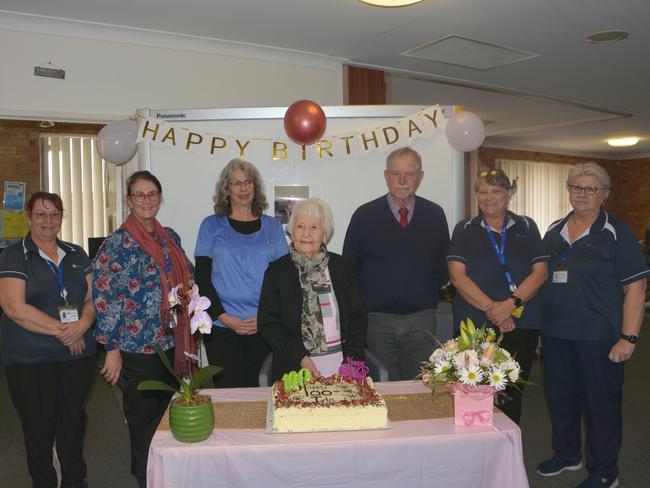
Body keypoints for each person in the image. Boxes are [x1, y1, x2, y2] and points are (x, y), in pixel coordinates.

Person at [537, 162, 648, 488]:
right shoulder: (554, 231)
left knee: (601, 407)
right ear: (569, 191)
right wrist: (542, 331)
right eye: (576, 187)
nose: (582, 194)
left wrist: (628, 338)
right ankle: (567, 454)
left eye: (590, 189)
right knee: (560, 400)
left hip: (599, 338)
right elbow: (541, 282)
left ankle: (604, 472)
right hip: (556, 335)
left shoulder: (616, 232)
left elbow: (636, 288)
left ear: (604, 194)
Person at [93, 171, 193, 488]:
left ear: (159, 198)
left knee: (170, 418)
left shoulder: (170, 238)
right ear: (129, 201)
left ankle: (168, 477)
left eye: (152, 194)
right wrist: (112, 350)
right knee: (144, 424)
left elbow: (186, 280)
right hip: (138, 350)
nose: (146, 200)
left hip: (172, 343)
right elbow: (105, 299)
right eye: (139, 195)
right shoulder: (117, 244)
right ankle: (145, 480)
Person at [0, 192, 96, 488]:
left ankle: (74, 481)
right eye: (41, 214)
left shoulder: (77, 253)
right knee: (39, 428)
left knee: (72, 423)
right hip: (31, 359)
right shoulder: (13, 255)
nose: (48, 220)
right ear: (28, 217)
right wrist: (66, 331)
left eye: (55, 214)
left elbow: (92, 299)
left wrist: (82, 324)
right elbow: (14, 307)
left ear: (62, 217)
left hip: (77, 355)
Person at [446, 169, 548, 424]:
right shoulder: (465, 229)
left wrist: (511, 305)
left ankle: (506, 453)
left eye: (496, 191)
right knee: (473, 390)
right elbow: (458, 276)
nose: (489, 197)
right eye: (483, 191)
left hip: (521, 324)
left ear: (509, 194)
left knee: (510, 392)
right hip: (475, 324)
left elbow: (541, 272)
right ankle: (474, 453)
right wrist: (496, 310)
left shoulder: (526, 226)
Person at [342, 146, 449, 381]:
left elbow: (443, 267)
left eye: (409, 174)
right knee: (380, 386)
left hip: (422, 321)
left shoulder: (435, 215)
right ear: (386, 175)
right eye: (395, 173)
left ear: (420, 177)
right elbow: (349, 269)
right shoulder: (364, 216)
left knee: (420, 387)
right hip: (376, 322)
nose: (402, 180)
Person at [194, 158, 287, 387]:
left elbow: (284, 281)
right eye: (236, 183)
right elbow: (202, 279)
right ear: (226, 189)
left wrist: (267, 317)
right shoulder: (211, 225)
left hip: (264, 327)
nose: (243, 188)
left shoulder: (273, 227)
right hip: (221, 327)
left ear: (255, 187)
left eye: (248, 182)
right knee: (230, 394)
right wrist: (223, 316)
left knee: (263, 392)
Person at [258, 198, 367, 381]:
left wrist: (350, 361)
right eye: (300, 226)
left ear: (325, 234)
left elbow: (358, 316)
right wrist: (300, 358)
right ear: (292, 232)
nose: (306, 233)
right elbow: (268, 323)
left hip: (344, 367)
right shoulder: (277, 272)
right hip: (295, 367)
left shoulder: (342, 268)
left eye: (314, 227)